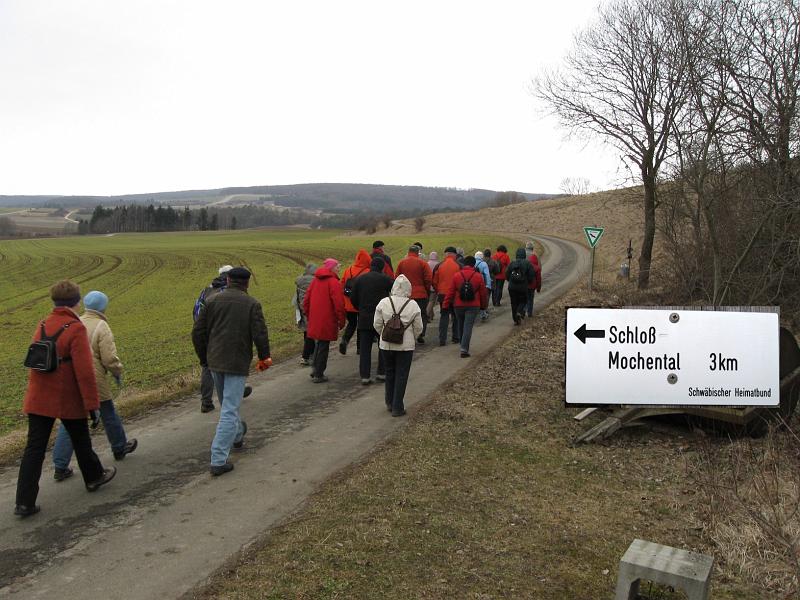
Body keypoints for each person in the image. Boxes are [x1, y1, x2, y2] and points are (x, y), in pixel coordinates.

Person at [15, 280, 116, 517]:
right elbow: (84, 371)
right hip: (66, 395)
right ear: (76, 301)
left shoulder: (42, 324)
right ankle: (94, 477)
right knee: (81, 439)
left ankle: (24, 502)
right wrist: (92, 405)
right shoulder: (76, 327)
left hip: (39, 396)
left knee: (34, 448)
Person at [192, 267, 271, 476]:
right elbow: (260, 334)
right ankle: (218, 459)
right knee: (229, 410)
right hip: (236, 363)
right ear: (247, 283)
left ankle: (236, 435)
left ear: (228, 280)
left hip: (214, 361)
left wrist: (204, 358)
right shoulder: (252, 304)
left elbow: (197, 332)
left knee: (228, 406)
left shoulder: (212, 301)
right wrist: (265, 356)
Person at [51, 291, 137, 482]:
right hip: (93, 378)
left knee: (71, 421)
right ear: (103, 307)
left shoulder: (76, 322)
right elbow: (108, 358)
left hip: (73, 378)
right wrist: (117, 371)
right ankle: (119, 446)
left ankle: (60, 464)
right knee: (108, 412)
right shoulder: (101, 325)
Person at [373, 275, 423, 417]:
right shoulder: (413, 305)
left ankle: (389, 402)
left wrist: (384, 334)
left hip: (386, 344)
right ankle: (397, 406)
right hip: (405, 347)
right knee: (401, 375)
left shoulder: (384, 302)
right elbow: (418, 327)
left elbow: (376, 323)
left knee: (390, 372)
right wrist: (411, 338)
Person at [194, 265, 232, 413]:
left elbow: (196, 311)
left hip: (205, 333)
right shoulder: (229, 291)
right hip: (222, 333)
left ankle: (206, 402)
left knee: (207, 367)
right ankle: (234, 394)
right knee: (230, 363)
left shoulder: (205, 291)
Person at [349, 256, 393, 384]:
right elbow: (396, 290)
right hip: (381, 317)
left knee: (364, 349)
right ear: (382, 267)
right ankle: (381, 373)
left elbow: (353, 298)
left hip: (364, 317)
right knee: (383, 346)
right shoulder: (385, 279)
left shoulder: (360, 279)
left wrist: (360, 308)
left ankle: (365, 376)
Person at [303, 258, 346, 383]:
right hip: (328, 319)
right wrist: (341, 320)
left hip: (315, 318)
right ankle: (318, 373)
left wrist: (309, 315)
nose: (339, 268)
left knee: (319, 344)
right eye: (337, 266)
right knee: (323, 346)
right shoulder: (334, 283)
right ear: (331, 268)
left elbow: (306, 301)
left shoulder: (315, 281)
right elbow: (339, 304)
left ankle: (315, 369)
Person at [443, 256, 489, 358]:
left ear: (463, 264)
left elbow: (450, 292)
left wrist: (445, 304)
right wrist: (484, 306)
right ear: (473, 264)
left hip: (458, 305)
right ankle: (464, 349)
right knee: (468, 326)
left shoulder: (456, 276)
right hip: (473, 305)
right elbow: (483, 293)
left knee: (460, 324)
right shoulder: (478, 276)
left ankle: (462, 344)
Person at [395, 245, 433, 344]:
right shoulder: (423, 263)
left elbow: (397, 278)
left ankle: (406, 333)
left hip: (405, 295)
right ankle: (420, 333)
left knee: (405, 315)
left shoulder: (401, 263)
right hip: (420, 293)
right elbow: (428, 279)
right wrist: (426, 290)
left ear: (408, 252)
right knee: (421, 315)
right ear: (418, 252)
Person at [339, 250, 372, 355]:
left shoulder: (348, 270)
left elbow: (342, 285)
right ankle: (359, 348)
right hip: (362, 303)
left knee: (352, 323)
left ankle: (345, 339)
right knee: (361, 326)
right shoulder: (368, 271)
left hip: (349, 303)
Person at [432, 246, 461, 345]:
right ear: (454, 255)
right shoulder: (459, 265)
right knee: (455, 316)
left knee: (444, 316)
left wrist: (438, 290)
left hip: (442, 295)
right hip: (455, 295)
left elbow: (434, 282)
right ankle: (456, 337)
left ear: (446, 254)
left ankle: (442, 339)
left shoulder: (439, 265)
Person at [293, 263, 317, 366]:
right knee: (310, 333)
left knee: (306, 332)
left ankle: (310, 354)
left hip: (300, 308)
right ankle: (306, 356)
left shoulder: (299, 281)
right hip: (311, 309)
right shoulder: (315, 281)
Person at [506, 248, 537, 324]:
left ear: (516, 254)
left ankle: (516, 320)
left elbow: (507, 274)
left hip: (512, 287)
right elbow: (531, 275)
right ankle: (519, 311)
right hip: (523, 287)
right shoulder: (528, 263)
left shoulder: (512, 263)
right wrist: (528, 282)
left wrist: (510, 280)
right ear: (524, 255)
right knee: (523, 301)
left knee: (514, 303)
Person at [473, 251, 492, 321]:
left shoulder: (472, 263)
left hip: (473, 283)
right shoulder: (484, 264)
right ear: (482, 257)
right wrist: (488, 285)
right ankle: (483, 313)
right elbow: (487, 275)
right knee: (482, 298)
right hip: (481, 282)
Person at [525, 242, 543, 317]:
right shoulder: (535, 256)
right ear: (532, 248)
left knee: (524, 296)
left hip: (523, 281)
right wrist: (538, 286)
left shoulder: (523, 254)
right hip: (532, 281)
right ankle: (529, 312)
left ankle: (524, 309)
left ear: (526, 247)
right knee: (531, 298)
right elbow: (539, 269)